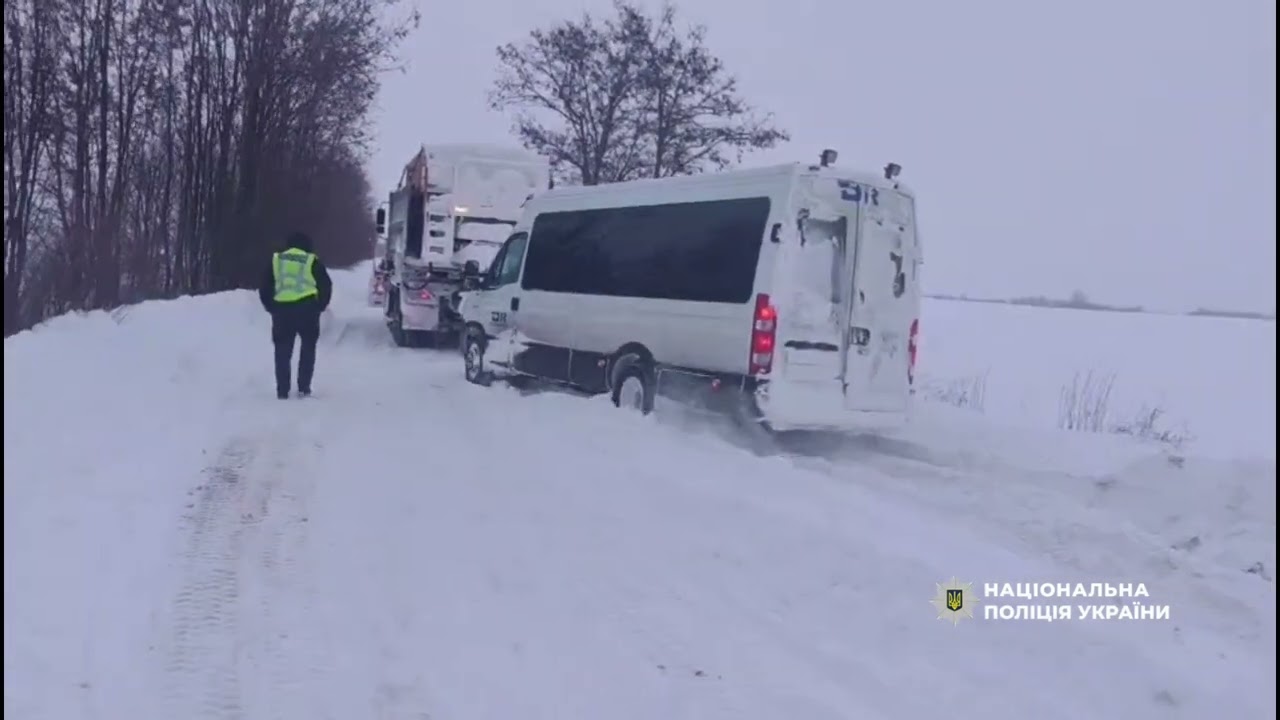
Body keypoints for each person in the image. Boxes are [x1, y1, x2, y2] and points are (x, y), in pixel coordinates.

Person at [259, 231, 333, 399]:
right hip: (307, 310)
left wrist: (270, 306)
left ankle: (282, 390)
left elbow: (265, 286)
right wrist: (320, 306)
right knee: (308, 348)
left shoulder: (277, 260)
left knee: (282, 351)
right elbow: (326, 285)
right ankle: (304, 388)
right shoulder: (312, 260)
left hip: (282, 311)